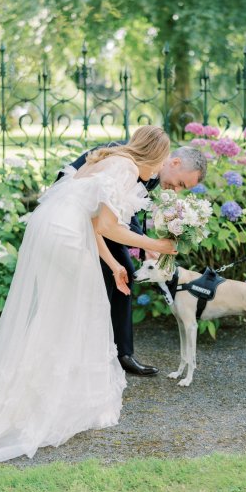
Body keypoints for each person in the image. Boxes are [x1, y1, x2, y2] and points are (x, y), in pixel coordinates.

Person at [0, 125, 176, 463]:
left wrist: (114, 266)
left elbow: (96, 226)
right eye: (161, 163)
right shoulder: (126, 169)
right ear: (153, 155)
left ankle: (38, 386)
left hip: (53, 227)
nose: (158, 172)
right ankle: (43, 398)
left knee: (61, 310)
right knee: (77, 310)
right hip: (66, 234)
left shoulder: (112, 159)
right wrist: (157, 245)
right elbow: (110, 228)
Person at [62, 144, 207, 376]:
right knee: (98, 280)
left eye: (183, 188)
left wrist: (143, 245)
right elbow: (104, 212)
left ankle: (122, 354)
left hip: (100, 220)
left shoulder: (154, 173)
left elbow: (126, 211)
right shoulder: (135, 160)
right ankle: (86, 354)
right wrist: (150, 244)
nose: (177, 190)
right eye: (181, 183)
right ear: (175, 163)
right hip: (74, 217)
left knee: (126, 273)